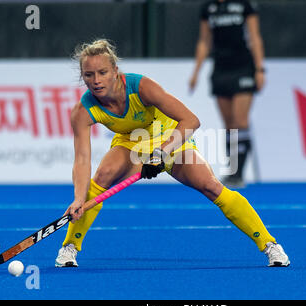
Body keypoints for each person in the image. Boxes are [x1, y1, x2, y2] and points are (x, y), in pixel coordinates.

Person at [54, 39, 289, 268]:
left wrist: (162, 151)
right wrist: (77, 198)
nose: (96, 81)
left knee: (210, 186)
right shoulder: (83, 110)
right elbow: (82, 159)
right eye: (89, 75)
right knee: (101, 177)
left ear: (115, 71)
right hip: (131, 142)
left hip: (169, 137)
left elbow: (191, 120)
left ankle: (269, 245)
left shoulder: (141, 87)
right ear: (82, 76)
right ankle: (69, 248)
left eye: (102, 72)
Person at [189, 0, 265, 188]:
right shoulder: (208, 7)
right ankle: (232, 170)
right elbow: (204, 40)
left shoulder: (244, 5)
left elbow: (254, 36)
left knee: (241, 121)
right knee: (229, 124)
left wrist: (260, 68)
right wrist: (196, 72)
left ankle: (239, 174)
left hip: (242, 67)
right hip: (220, 69)